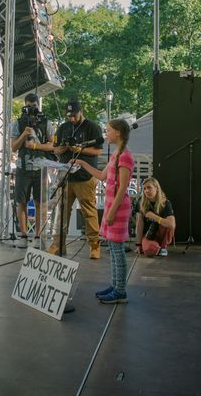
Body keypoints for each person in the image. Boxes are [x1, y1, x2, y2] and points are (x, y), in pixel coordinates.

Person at [72, 119, 133, 304]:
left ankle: (120, 290)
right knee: (114, 251)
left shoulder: (125, 157)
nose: (106, 134)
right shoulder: (116, 154)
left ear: (119, 133)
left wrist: (112, 212)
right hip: (111, 206)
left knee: (117, 250)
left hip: (118, 207)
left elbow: (122, 188)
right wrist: (82, 162)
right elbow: (101, 175)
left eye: (109, 130)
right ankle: (115, 285)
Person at [51, 100, 104, 258]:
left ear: (81, 111)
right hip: (66, 177)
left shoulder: (92, 127)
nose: (71, 119)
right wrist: (66, 147)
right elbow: (55, 149)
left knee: (89, 212)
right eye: (69, 116)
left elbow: (98, 152)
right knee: (61, 214)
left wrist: (80, 149)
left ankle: (94, 245)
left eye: (74, 115)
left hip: (84, 177)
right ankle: (58, 245)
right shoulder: (63, 127)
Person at [10, 92, 51, 248]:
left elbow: (52, 146)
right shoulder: (18, 123)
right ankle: (23, 235)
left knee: (40, 202)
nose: (32, 109)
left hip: (40, 167)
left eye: (34, 106)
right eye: (29, 106)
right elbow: (14, 147)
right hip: (23, 168)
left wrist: (35, 145)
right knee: (22, 202)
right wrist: (24, 134)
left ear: (38, 106)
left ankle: (39, 235)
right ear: (24, 105)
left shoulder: (46, 122)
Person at [135, 177, 175, 257]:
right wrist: (138, 244)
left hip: (160, 235)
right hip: (148, 235)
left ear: (156, 188)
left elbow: (171, 224)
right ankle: (156, 247)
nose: (146, 191)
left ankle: (163, 247)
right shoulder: (141, 202)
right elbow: (139, 224)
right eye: (144, 189)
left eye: (149, 187)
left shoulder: (165, 203)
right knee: (149, 250)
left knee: (168, 222)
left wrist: (154, 217)